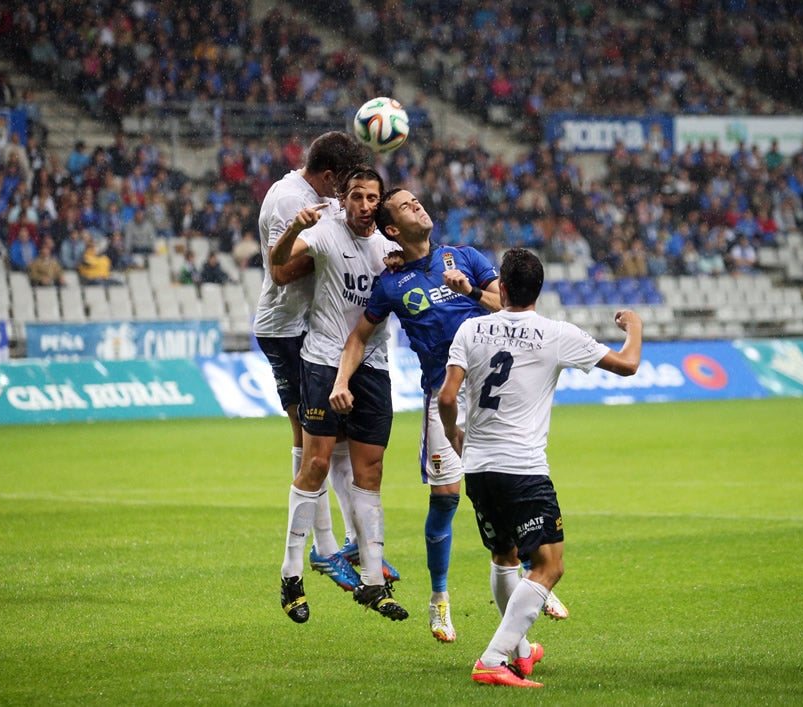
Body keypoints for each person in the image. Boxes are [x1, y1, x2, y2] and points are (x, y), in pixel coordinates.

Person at [330, 189, 571, 644]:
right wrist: (342, 381)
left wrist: (472, 290)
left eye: (417, 200)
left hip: (491, 393)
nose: (418, 205)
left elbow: (511, 307)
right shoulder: (391, 283)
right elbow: (359, 338)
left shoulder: (464, 256)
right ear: (392, 230)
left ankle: (531, 576)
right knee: (446, 497)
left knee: (509, 483)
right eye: (405, 206)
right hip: (444, 393)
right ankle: (440, 601)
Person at [438, 247, 643, 688]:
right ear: (538, 290)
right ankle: (494, 658)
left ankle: (523, 651)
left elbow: (447, 397)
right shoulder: (555, 333)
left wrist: (456, 437)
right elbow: (627, 365)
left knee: (504, 555)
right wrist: (635, 327)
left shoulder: (470, 329)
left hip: (479, 467)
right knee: (549, 566)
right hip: (523, 469)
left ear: (503, 287)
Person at [270, 166, 408, 624]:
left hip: (374, 367)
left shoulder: (391, 247)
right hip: (324, 362)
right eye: (356, 197)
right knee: (316, 464)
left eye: (373, 198)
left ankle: (373, 582)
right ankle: (291, 574)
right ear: (343, 199)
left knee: (370, 473)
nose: (365, 206)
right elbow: (278, 264)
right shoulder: (325, 232)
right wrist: (294, 227)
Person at [253, 131, 373, 596]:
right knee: (311, 438)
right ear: (328, 175)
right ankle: (322, 549)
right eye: (342, 184)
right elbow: (281, 271)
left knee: (333, 436)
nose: (346, 194)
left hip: (314, 328)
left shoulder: (320, 194)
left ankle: (347, 542)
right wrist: (332, 258)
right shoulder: (289, 200)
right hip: (285, 328)